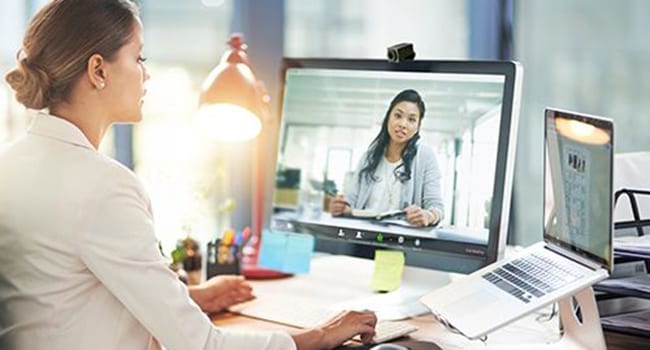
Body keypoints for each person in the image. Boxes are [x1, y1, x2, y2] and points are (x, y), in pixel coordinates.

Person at [0, 1, 376, 349]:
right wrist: (320, 334)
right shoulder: (102, 186)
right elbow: (200, 345)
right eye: (138, 57)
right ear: (98, 70)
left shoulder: (11, 165)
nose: (146, 75)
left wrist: (192, 298)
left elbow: (61, 296)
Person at [329, 89, 444, 227]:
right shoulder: (369, 157)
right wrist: (340, 207)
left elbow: (437, 207)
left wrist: (428, 215)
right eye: (398, 115)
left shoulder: (425, 157)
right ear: (388, 117)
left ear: (418, 127)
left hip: (401, 239)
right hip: (363, 235)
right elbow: (351, 200)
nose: (403, 124)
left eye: (411, 119)